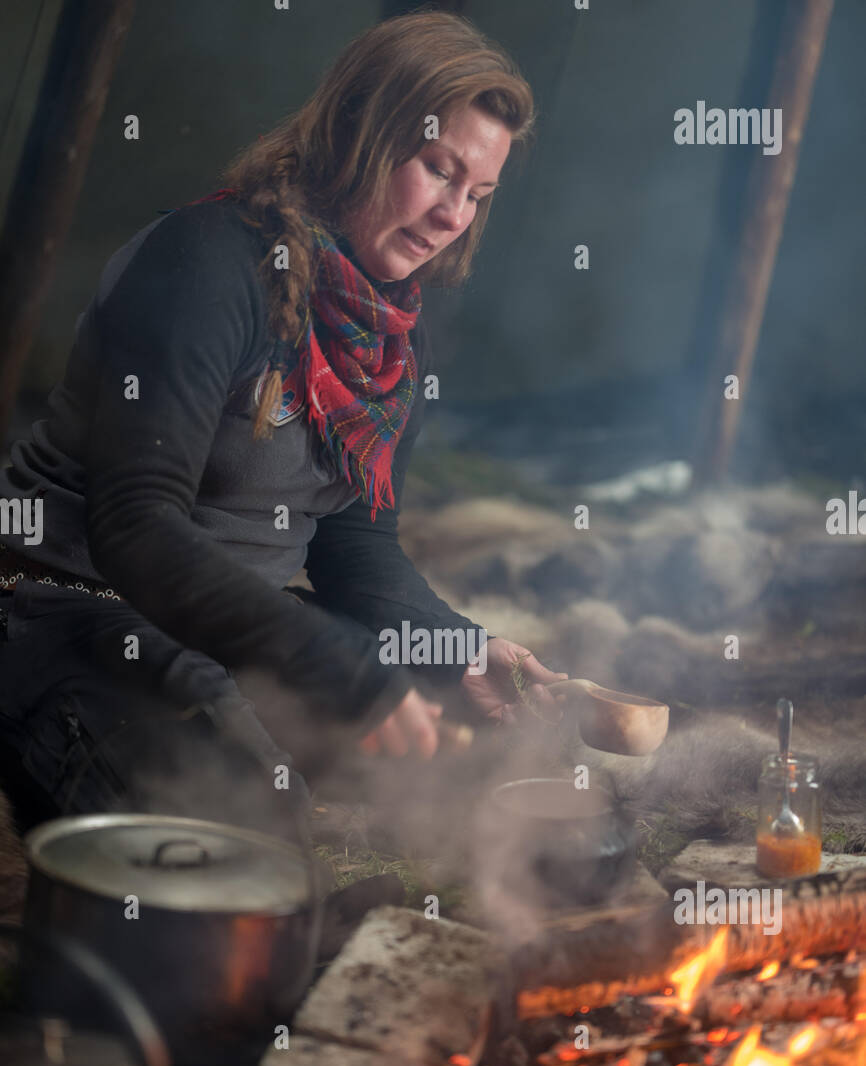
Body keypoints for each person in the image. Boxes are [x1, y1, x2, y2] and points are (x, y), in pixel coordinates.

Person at [0, 11, 563, 843]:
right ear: (359, 132)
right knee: (246, 830)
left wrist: (459, 647)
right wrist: (333, 667)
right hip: (64, 610)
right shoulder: (207, 262)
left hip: (235, 627)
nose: (454, 216)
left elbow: (352, 543)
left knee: (473, 744)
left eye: (478, 195)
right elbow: (136, 528)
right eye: (440, 171)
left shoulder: (394, 336)